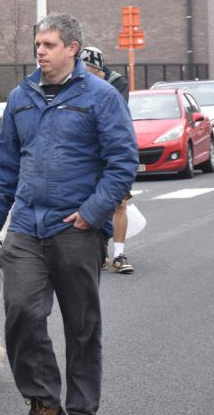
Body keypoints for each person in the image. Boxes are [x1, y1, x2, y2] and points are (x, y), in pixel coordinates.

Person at [0, 14, 138, 415]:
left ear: (72, 49)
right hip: (28, 227)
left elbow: (122, 163)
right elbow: (8, 166)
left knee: (81, 326)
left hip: (76, 228)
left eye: (49, 45)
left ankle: (82, 407)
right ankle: (43, 399)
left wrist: (93, 212)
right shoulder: (21, 97)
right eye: (38, 45)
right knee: (21, 313)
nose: (40, 52)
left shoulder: (101, 97)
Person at [80, 46, 135, 274]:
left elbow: (115, 115)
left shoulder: (117, 84)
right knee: (94, 200)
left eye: (85, 70)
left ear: (95, 68)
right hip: (90, 152)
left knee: (120, 203)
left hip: (113, 148)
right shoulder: (78, 84)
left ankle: (119, 254)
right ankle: (100, 247)